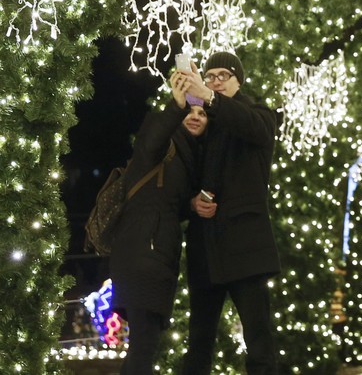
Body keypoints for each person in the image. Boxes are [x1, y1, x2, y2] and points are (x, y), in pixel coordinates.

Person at [178, 52, 280, 374]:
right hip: (205, 248)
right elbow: (179, 182)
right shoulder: (200, 123)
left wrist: (208, 96)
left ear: (239, 80)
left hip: (245, 247)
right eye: (209, 76)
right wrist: (192, 203)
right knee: (199, 343)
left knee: (259, 340)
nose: (216, 81)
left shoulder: (258, 113)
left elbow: (256, 128)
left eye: (224, 75)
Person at [109, 70, 208, 374]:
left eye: (202, 113)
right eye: (189, 110)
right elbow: (149, 143)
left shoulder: (188, 157)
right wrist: (175, 105)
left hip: (156, 256)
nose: (195, 116)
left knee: (145, 346)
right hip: (142, 255)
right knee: (144, 347)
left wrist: (190, 204)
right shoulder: (163, 140)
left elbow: (168, 202)